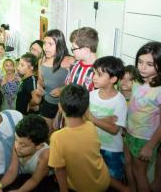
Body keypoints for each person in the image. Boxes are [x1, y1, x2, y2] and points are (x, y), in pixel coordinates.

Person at [48, 84, 110, 192]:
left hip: (82, 188)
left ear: (60, 107)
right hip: (103, 181)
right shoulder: (91, 126)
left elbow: (59, 170)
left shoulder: (57, 137)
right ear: (86, 108)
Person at [125, 41, 161, 192]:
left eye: (149, 64)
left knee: (140, 173)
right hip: (131, 133)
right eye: (140, 62)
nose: (142, 67)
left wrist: (150, 146)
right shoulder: (138, 82)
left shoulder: (159, 89)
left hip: (145, 139)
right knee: (132, 168)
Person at [88, 56, 128, 192]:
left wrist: (93, 119)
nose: (94, 77)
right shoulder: (91, 95)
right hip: (93, 145)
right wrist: (104, 119)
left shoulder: (119, 101)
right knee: (94, 179)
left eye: (99, 74)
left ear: (113, 79)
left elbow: (114, 129)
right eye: (94, 73)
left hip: (112, 149)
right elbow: (84, 118)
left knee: (113, 182)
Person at [0, 115, 53, 192]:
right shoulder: (18, 144)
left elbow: (35, 180)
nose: (17, 146)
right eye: (16, 140)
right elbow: (12, 170)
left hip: (43, 179)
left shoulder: (45, 155)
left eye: (23, 145)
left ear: (38, 146)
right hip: (25, 175)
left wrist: (19, 191)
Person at [37, 29, 75, 132]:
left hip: (65, 105)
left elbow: (78, 84)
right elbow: (40, 80)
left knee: (62, 135)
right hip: (48, 102)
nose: (46, 47)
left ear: (59, 45)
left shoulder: (70, 61)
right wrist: (39, 86)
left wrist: (63, 89)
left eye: (50, 44)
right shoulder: (42, 60)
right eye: (45, 43)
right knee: (47, 133)